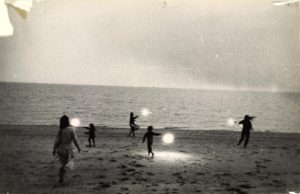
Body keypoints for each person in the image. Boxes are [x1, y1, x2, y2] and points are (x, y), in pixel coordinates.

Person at [53, 115, 81, 183]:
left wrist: (54, 149)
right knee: (65, 164)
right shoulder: (71, 129)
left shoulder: (60, 129)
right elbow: (75, 140)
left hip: (60, 149)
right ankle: (61, 175)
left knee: (62, 163)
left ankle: (61, 175)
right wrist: (78, 147)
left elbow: (56, 141)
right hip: (67, 149)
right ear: (67, 121)